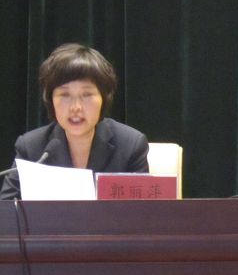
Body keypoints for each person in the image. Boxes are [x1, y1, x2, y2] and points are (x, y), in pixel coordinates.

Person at [0, 43, 149, 199]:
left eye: (87, 95)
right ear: (50, 100)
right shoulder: (31, 148)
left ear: (103, 98)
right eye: (65, 95)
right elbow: (6, 208)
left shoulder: (130, 145)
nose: (76, 107)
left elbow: (142, 210)